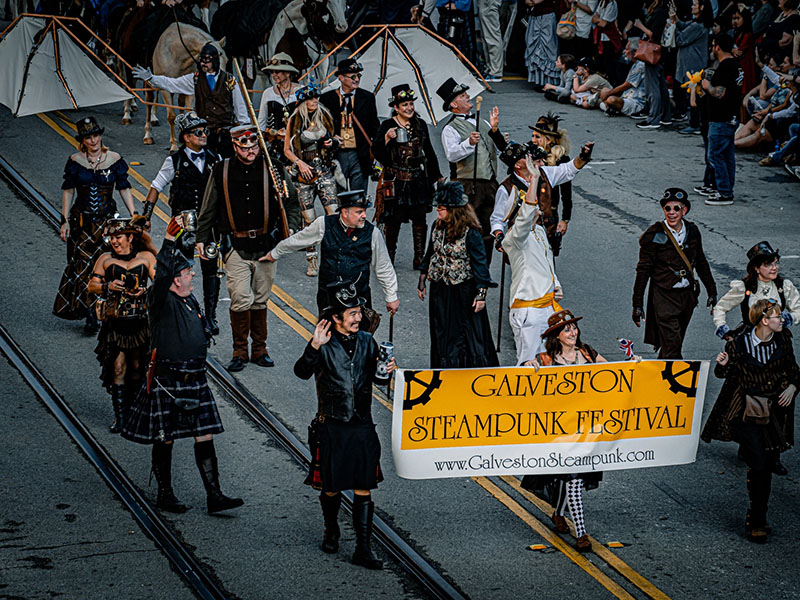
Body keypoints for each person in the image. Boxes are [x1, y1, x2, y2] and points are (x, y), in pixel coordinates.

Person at [122, 219, 244, 515]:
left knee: (205, 434)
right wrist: (167, 240)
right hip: (169, 378)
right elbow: (161, 273)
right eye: (188, 273)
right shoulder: (160, 299)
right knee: (165, 437)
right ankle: (164, 493)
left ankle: (214, 495)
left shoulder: (190, 300)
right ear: (176, 279)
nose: (192, 277)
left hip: (194, 378)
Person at [294, 279, 395, 569]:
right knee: (331, 487)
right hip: (332, 425)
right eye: (352, 314)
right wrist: (314, 346)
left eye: (358, 312)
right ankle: (331, 528)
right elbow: (301, 372)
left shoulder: (366, 340)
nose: (358, 317)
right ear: (336, 318)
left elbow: (376, 379)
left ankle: (363, 548)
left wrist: (385, 371)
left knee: (365, 486)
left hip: (361, 424)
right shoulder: (322, 342)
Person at [701, 299, 798, 543]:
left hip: (774, 413)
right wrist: (721, 366)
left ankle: (758, 515)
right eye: (777, 317)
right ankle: (756, 521)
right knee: (759, 465)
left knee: (766, 464)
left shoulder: (783, 339)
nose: (782, 320)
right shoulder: (740, 344)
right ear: (765, 321)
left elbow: (795, 371)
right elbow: (725, 373)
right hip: (746, 412)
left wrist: (792, 388)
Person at [197, 125, 287, 372]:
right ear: (235, 147)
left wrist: (285, 238)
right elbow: (208, 208)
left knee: (260, 298)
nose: (251, 151)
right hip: (235, 245)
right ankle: (239, 351)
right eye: (245, 147)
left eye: (254, 146)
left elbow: (289, 203)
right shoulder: (221, 169)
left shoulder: (274, 167)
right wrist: (202, 238)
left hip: (267, 244)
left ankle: (260, 349)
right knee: (239, 298)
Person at [520, 309, 607, 552]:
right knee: (572, 478)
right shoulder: (546, 359)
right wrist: (528, 366)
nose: (573, 332)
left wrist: (635, 364)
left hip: (587, 429)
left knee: (573, 479)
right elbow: (525, 375)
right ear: (556, 336)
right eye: (566, 329)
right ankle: (582, 533)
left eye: (574, 328)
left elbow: (615, 373)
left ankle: (559, 513)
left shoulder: (587, 353)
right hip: (560, 430)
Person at [500, 143, 594, 362]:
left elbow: (546, 263)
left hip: (548, 307)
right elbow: (525, 217)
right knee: (528, 363)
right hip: (529, 312)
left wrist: (556, 285)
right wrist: (533, 181)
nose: (537, 209)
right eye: (529, 207)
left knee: (550, 361)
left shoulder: (540, 230)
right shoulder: (514, 237)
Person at [263, 190, 399, 322]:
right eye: (359, 212)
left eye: (364, 211)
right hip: (328, 297)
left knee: (358, 341)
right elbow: (298, 240)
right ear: (345, 212)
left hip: (358, 299)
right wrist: (275, 253)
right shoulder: (324, 224)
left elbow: (383, 267)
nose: (364, 215)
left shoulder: (372, 233)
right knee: (327, 338)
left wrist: (391, 296)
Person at [54, 116, 136, 334]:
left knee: (109, 265)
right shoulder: (75, 161)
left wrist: (134, 214)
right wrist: (64, 221)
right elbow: (68, 190)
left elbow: (124, 187)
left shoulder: (115, 159)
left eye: (96, 135)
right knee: (83, 268)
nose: (93, 140)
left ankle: (108, 310)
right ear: (82, 140)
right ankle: (90, 312)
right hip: (82, 223)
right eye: (89, 137)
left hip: (107, 223)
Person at [144, 111, 223, 334]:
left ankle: (210, 315)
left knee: (211, 269)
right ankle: (182, 309)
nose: (203, 135)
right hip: (183, 224)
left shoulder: (214, 159)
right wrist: (146, 217)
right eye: (198, 132)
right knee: (181, 268)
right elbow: (156, 186)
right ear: (186, 137)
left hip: (209, 225)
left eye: (205, 130)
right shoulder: (175, 161)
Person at [417, 181, 498, 368]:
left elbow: (480, 264)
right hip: (440, 290)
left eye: (442, 208)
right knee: (442, 331)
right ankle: (443, 369)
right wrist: (423, 278)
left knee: (464, 333)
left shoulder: (471, 233)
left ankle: (464, 370)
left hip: (462, 291)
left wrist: (481, 294)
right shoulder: (437, 227)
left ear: (453, 210)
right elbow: (431, 253)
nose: (437, 210)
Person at [87, 218, 156, 433]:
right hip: (116, 324)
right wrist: (108, 285)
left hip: (141, 323)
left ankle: (136, 413)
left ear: (130, 237)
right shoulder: (105, 259)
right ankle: (121, 417)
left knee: (138, 368)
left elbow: (162, 282)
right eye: (111, 238)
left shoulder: (146, 258)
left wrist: (146, 291)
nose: (113, 241)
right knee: (117, 367)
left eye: (118, 237)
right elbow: (91, 286)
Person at [632, 188, 717, 359]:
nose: (671, 213)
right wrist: (637, 304)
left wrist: (712, 290)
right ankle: (679, 383)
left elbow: (700, 261)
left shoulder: (692, 231)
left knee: (671, 344)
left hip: (687, 296)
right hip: (664, 296)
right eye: (667, 208)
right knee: (673, 346)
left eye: (676, 208)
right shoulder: (653, 234)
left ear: (684, 210)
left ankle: (659, 380)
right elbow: (643, 271)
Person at [133, 44, 249, 158]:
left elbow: (240, 107)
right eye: (201, 60)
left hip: (225, 135)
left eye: (207, 60)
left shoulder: (229, 80)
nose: (203, 63)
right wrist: (151, 78)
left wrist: (246, 129)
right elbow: (172, 83)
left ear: (214, 61)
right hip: (204, 135)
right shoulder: (195, 79)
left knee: (226, 168)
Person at [372, 84, 443, 267]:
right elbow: (377, 153)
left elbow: (429, 152)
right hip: (395, 180)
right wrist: (387, 139)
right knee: (392, 220)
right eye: (404, 105)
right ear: (396, 108)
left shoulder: (420, 125)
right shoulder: (387, 125)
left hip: (417, 180)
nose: (409, 108)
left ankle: (419, 257)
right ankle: (389, 257)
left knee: (420, 219)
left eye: (411, 104)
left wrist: (437, 177)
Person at [437, 77, 499, 264]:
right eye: (463, 96)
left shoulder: (483, 123)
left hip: (488, 183)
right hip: (467, 185)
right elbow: (452, 155)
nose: (468, 97)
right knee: (467, 228)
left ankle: (483, 271)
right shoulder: (450, 129)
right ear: (454, 104)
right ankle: (465, 268)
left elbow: (495, 149)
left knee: (487, 229)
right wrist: (469, 143)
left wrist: (495, 130)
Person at [284, 82, 341, 277]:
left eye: (316, 97)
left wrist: (331, 141)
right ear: (302, 101)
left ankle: (334, 258)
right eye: (310, 98)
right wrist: (299, 163)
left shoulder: (324, 115)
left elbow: (335, 138)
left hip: (323, 169)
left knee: (333, 213)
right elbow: (286, 150)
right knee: (308, 218)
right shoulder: (295, 120)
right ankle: (312, 259)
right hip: (304, 174)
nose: (314, 101)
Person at [713, 241, 800, 340]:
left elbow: (798, 310)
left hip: (778, 343)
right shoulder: (744, 287)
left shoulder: (784, 286)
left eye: (775, 263)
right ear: (757, 268)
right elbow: (720, 308)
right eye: (768, 265)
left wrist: (789, 318)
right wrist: (723, 329)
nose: (774, 268)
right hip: (750, 342)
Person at [319, 58, 380, 193]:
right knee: (337, 197)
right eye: (352, 76)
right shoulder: (327, 98)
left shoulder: (367, 97)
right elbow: (321, 126)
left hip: (360, 153)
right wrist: (330, 136)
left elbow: (374, 126)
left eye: (358, 76)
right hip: (336, 154)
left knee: (358, 196)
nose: (357, 79)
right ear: (341, 77)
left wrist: (377, 151)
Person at [702, 33, 744, 206]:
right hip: (732, 116)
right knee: (727, 155)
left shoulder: (726, 66)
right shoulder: (736, 66)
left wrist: (707, 86)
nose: (712, 48)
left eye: (713, 45)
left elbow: (720, 93)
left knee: (715, 155)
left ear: (718, 47)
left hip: (721, 117)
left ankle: (724, 192)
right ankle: (726, 189)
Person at [634, 0, 673, 129]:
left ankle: (653, 118)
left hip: (655, 52)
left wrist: (640, 26)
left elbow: (654, 34)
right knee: (660, 85)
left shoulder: (659, 13)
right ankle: (665, 116)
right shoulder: (663, 12)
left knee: (653, 86)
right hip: (661, 52)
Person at [256, 52, 301, 145]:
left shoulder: (301, 90)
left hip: (298, 141)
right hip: (275, 142)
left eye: (277, 71)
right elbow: (262, 122)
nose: (273, 75)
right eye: (272, 72)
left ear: (287, 73)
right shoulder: (268, 93)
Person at [599, 39, 649, 117]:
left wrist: (608, 94)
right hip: (626, 97)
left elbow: (626, 85)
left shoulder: (640, 65)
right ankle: (611, 108)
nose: (624, 52)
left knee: (610, 99)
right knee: (604, 91)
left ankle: (611, 108)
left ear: (635, 52)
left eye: (627, 49)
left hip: (636, 102)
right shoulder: (635, 64)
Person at [523, 0, 561, 88]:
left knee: (548, 49)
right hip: (535, 17)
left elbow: (535, 1)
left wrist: (532, 2)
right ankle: (537, 80)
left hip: (546, 18)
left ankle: (548, 81)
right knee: (534, 48)